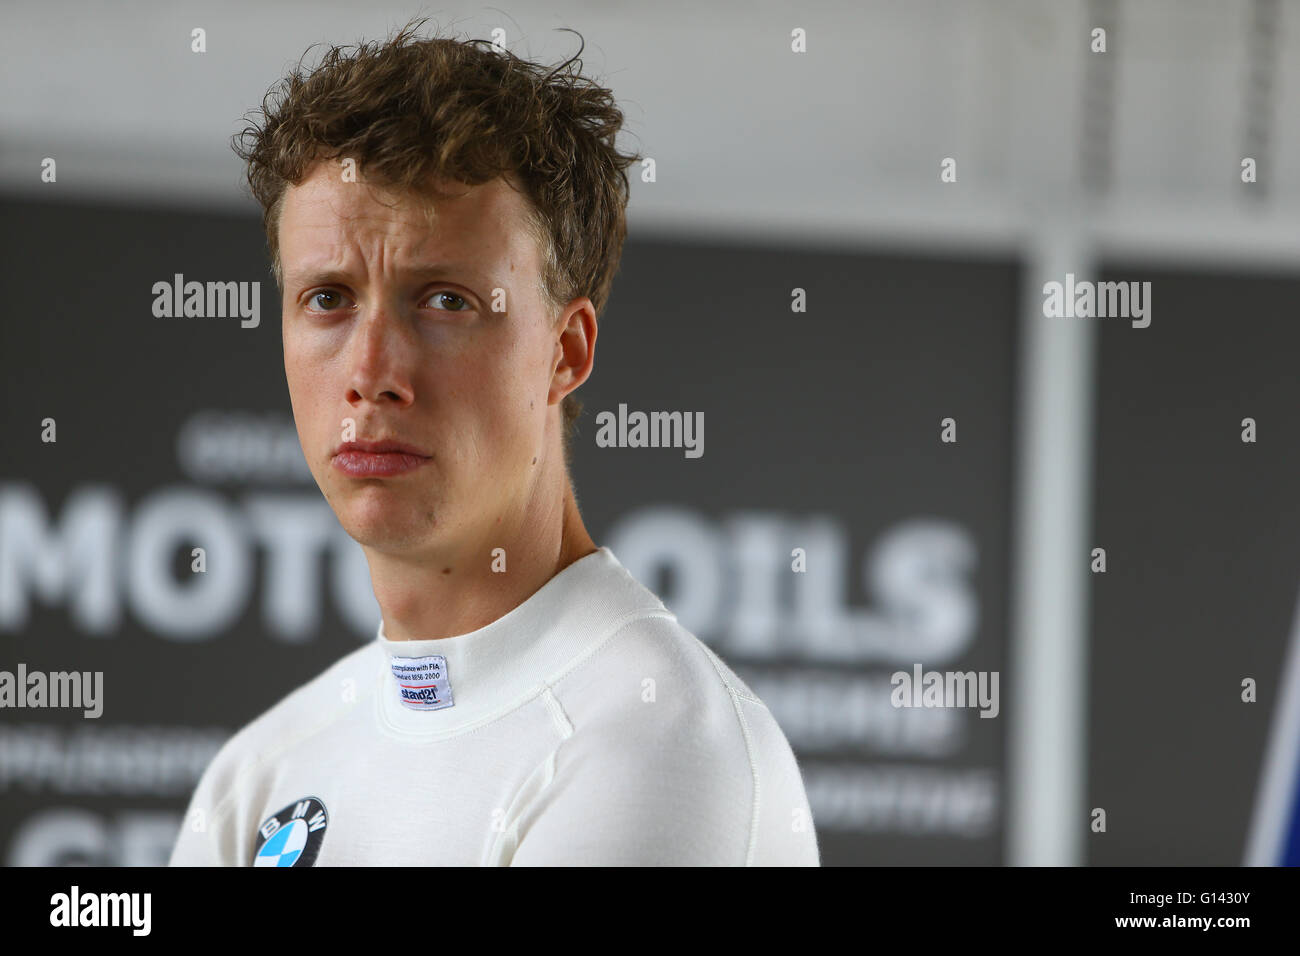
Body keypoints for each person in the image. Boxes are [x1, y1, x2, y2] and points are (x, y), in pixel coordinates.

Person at [168, 18, 819, 866]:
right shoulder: (258, 776)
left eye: (445, 302)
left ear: (566, 350)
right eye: (328, 299)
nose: (372, 373)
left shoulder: (659, 747)